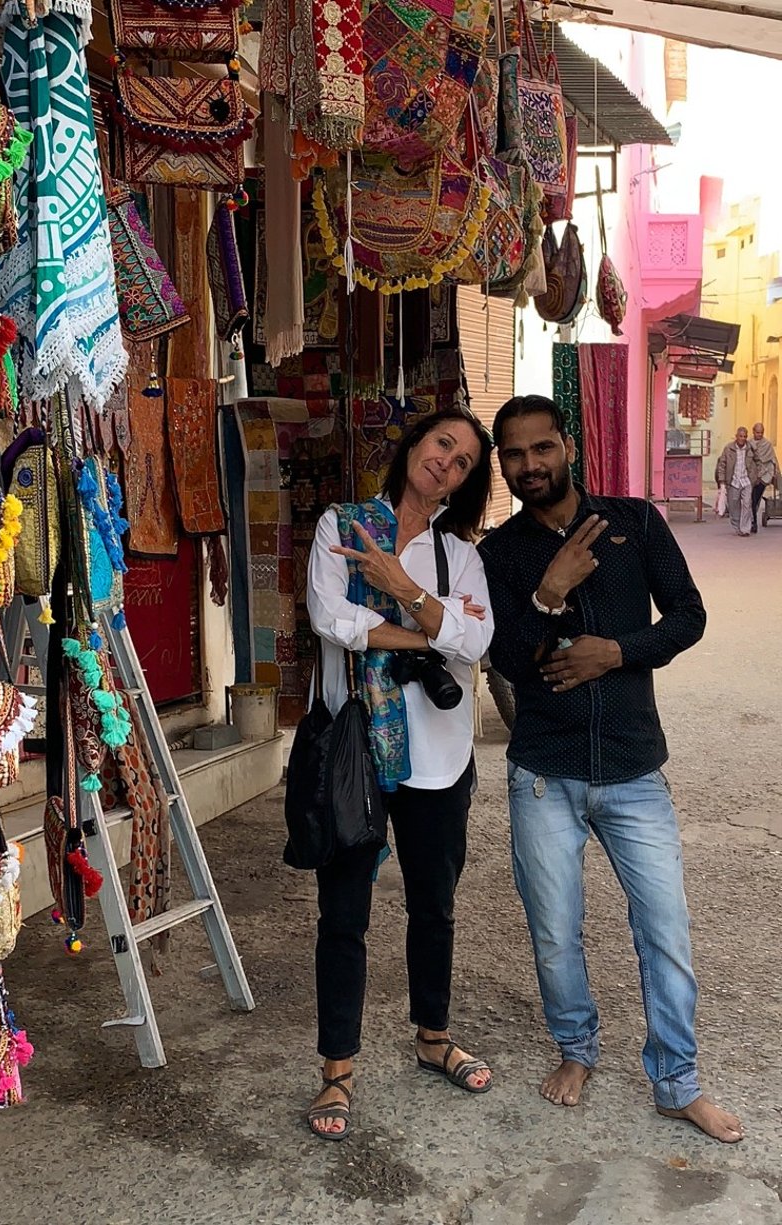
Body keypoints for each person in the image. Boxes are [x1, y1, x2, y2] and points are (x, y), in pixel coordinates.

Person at [478, 394, 743, 1145]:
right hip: (544, 771)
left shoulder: (636, 522)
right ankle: (577, 1049)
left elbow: (688, 615)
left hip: (632, 767)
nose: (529, 464)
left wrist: (617, 651)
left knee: (664, 928)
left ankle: (677, 1080)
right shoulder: (500, 555)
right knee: (555, 930)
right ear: (502, 464)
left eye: (541, 448)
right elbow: (507, 659)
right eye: (514, 454)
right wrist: (548, 590)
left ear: (568, 446)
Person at [304, 409, 496, 1141]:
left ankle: (432, 1036)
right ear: (414, 443)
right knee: (344, 912)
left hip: (440, 756)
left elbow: (476, 638)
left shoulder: (461, 555)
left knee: (434, 905)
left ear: (467, 480)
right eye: (442, 443)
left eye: (464, 459)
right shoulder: (343, 525)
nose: (447, 461)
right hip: (357, 747)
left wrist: (399, 587)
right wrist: (428, 627)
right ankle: (337, 1069)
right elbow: (331, 616)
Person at [714, 427, 758, 537]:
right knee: (734, 505)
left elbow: (758, 462)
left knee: (747, 504)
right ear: (736, 436)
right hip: (733, 481)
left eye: (744, 436)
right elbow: (722, 465)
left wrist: (755, 476)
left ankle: (745, 528)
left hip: (746, 480)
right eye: (740, 436)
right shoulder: (728, 448)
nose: (742, 439)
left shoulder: (751, 448)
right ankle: (737, 526)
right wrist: (722, 480)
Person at [749, 422, 778, 533]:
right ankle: (753, 522)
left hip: (764, 476)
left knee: (756, 499)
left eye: (761, 433)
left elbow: (772, 460)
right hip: (752, 475)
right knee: (751, 499)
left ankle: (753, 521)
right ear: (753, 432)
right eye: (757, 432)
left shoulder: (767, 444)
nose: (759, 435)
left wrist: (774, 474)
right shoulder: (749, 443)